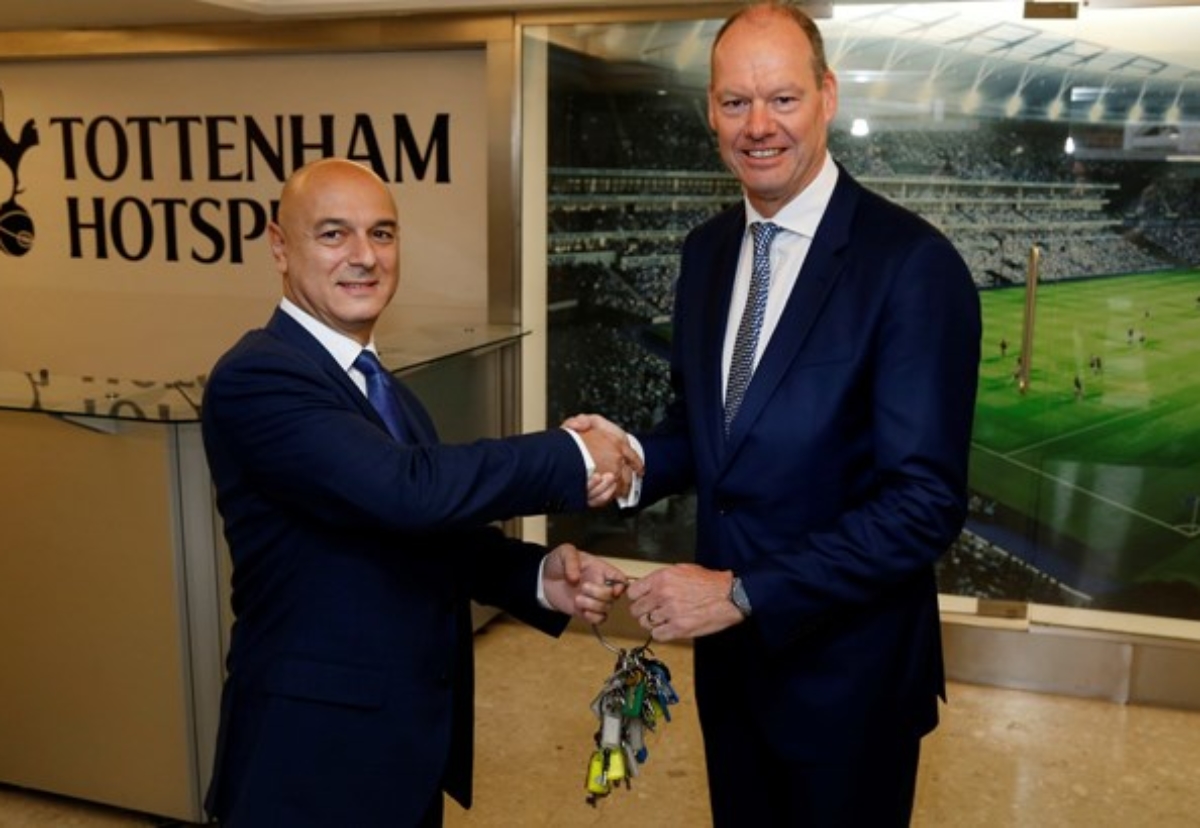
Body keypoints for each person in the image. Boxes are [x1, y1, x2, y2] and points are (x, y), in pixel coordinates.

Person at [572, 3, 981, 824]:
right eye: (735, 102)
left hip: (848, 687)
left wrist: (745, 593)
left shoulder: (911, 265)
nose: (758, 126)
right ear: (710, 112)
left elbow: (923, 506)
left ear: (827, 97)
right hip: (733, 674)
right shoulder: (708, 251)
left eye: (783, 99)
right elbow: (707, 430)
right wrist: (633, 459)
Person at [201, 157, 637, 827]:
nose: (364, 256)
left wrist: (538, 577)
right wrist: (573, 454)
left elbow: (422, 536)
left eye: (382, 233)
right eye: (333, 234)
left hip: (399, 749)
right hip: (309, 761)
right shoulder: (259, 376)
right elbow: (407, 492)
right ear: (280, 248)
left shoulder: (382, 390)